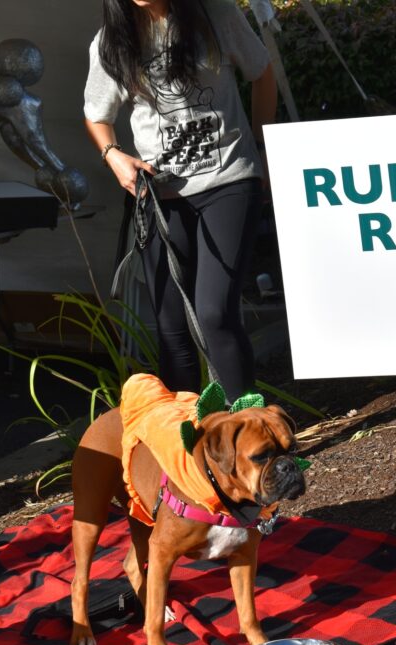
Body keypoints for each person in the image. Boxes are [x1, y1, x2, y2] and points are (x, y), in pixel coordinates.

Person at [83, 0, 277, 402]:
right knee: (171, 326)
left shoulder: (217, 15)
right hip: (159, 196)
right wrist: (113, 156)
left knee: (214, 313)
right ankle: (187, 444)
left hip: (228, 180)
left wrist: (263, 147)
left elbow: (262, 73)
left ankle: (249, 432)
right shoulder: (111, 42)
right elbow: (97, 115)